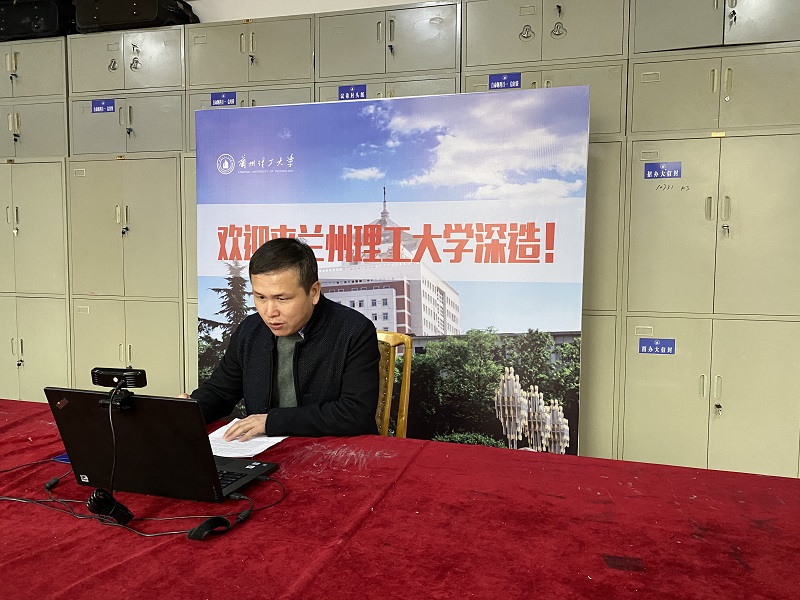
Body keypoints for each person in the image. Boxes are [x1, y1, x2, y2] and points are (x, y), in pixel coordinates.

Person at [187, 237, 380, 441]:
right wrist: (189, 410)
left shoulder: (354, 330)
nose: (270, 312)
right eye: (260, 297)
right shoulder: (250, 330)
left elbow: (355, 413)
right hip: (266, 450)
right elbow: (220, 392)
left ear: (314, 292)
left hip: (337, 450)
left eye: (282, 298)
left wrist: (272, 422)